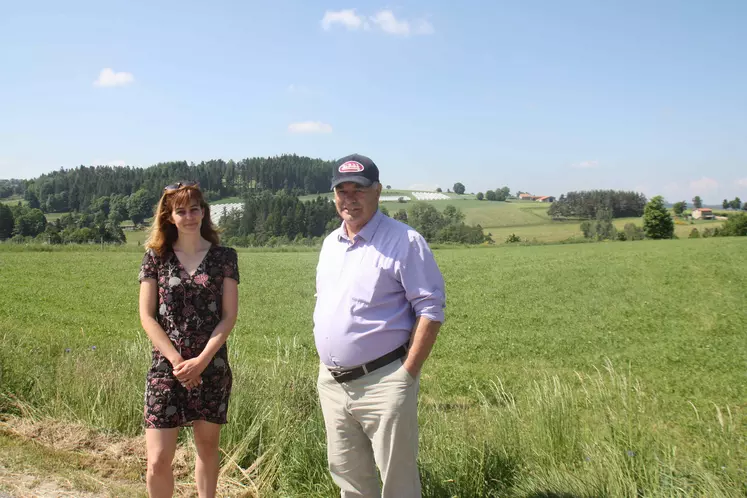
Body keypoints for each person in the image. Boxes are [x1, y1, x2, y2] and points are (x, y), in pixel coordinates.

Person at [313, 154, 446, 498]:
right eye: (341, 191)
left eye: (358, 189)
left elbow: (430, 309)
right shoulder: (331, 244)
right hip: (334, 383)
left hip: (384, 381)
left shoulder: (405, 241)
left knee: (397, 484)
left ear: (378, 191)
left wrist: (407, 375)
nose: (349, 198)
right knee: (350, 481)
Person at [137, 181, 239, 498]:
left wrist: (202, 362)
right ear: (169, 217)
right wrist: (179, 363)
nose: (190, 216)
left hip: (211, 367)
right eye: (181, 211)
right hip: (166, 369)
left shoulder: (225, 258)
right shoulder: (156, 257)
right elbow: (147, 316)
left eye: (195, 209)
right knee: (157, 460)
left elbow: (228, 316)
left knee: (208, 451)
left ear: (204, 212)